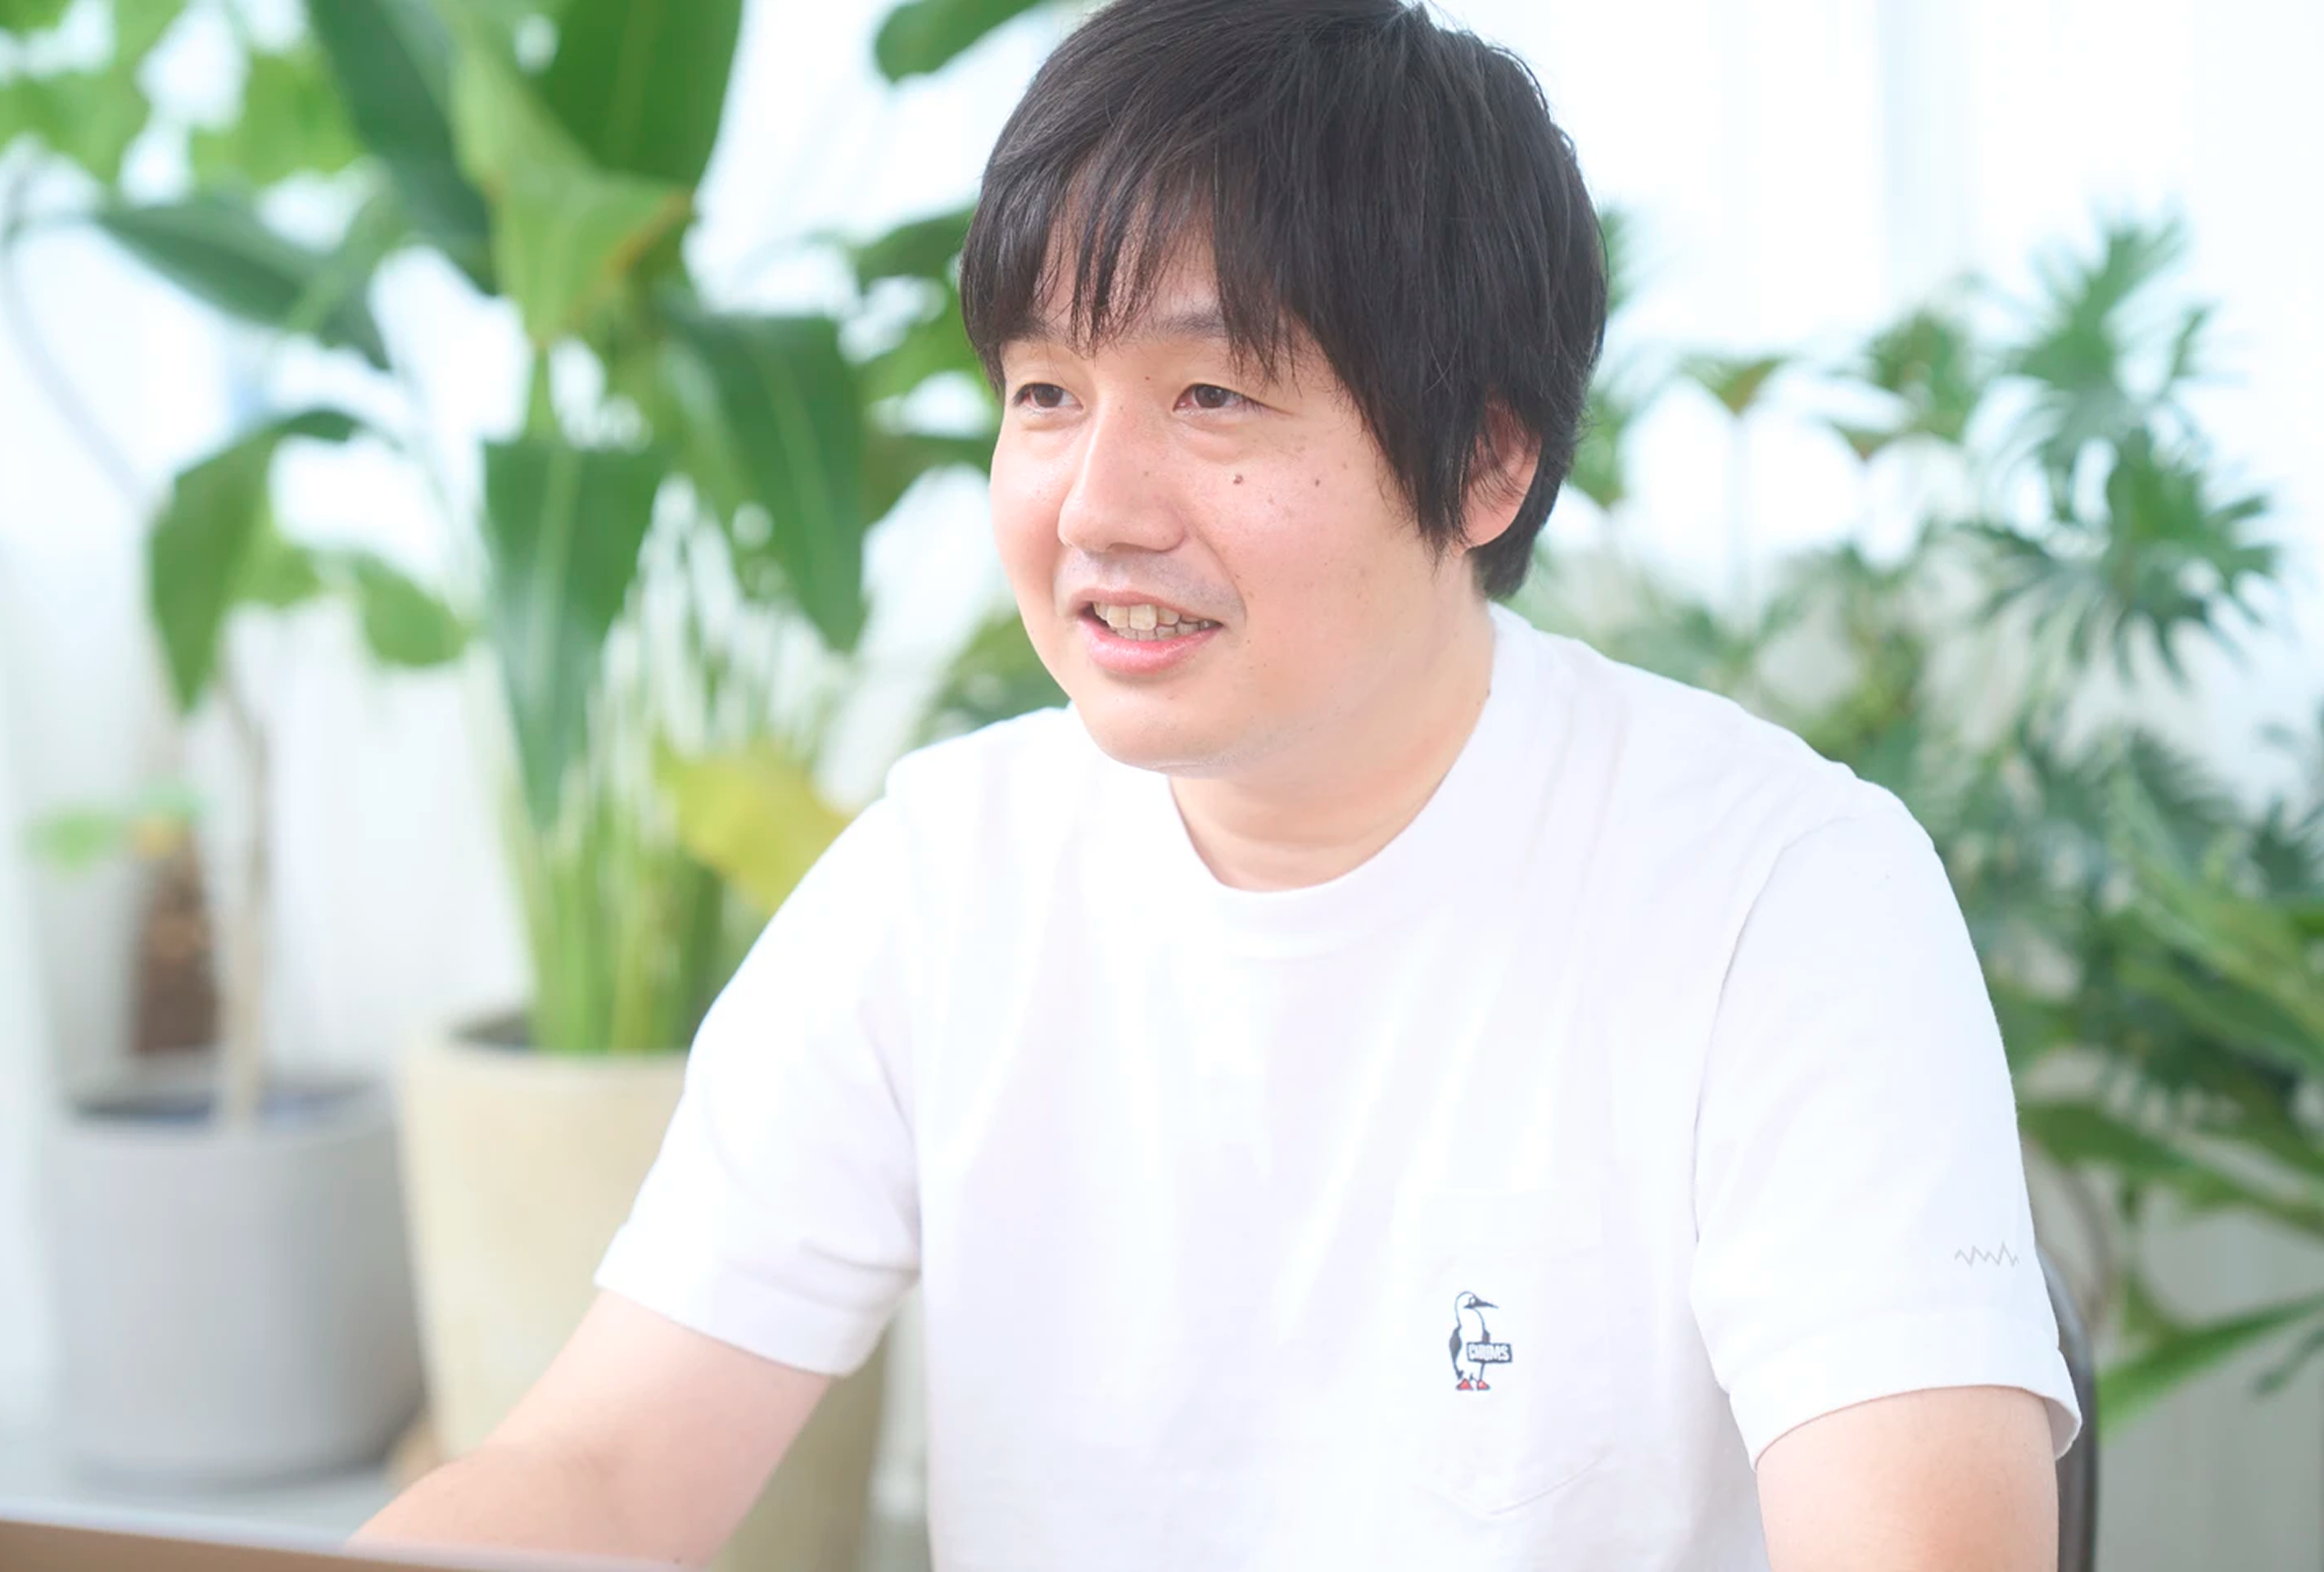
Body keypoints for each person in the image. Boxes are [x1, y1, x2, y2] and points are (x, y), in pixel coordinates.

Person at [356, 0, 2080, 1566]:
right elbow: (602, 1475)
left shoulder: (1783, 896)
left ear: (1486, 460)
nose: (1097, 507)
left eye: (1212, 395)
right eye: (1046, 391)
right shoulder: (941, 881)